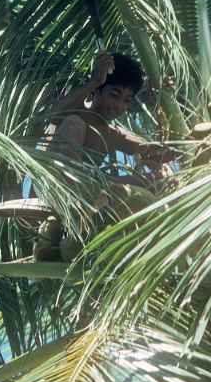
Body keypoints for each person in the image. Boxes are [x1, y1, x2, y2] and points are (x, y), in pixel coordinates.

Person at [34, 51, 175, 262]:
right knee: (74, 124)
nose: (118, 106)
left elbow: (155, 151)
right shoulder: (77, 114)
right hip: (58, 187)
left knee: (153, 181)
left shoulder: (112, 133)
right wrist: (95, 80)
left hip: (91, 197)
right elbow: (53, 116)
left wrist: (167, 101)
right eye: (114, 94)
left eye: (127, 100)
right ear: (98, 92)